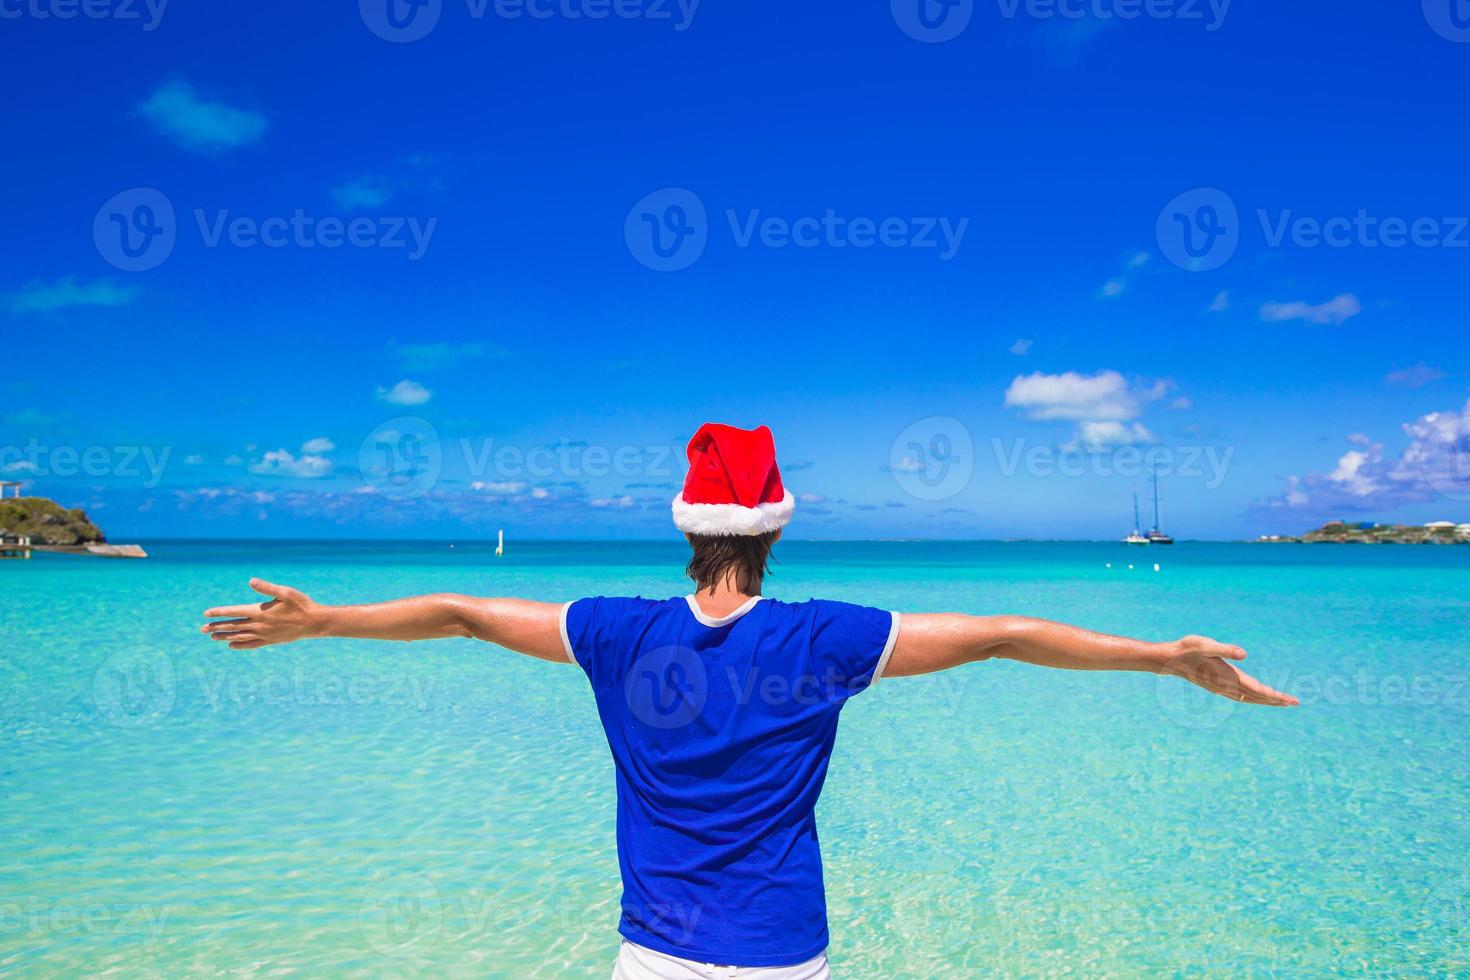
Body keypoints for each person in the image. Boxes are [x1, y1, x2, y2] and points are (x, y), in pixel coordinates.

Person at [201, 422, 1296, 978]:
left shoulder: (614, 630)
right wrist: (1162, 653)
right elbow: (1007, 632)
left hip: (655, 950)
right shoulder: (827, 638)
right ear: (778, 526)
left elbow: (462, 610)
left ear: (686, 527)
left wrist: (324, 617)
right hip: (779, 948)